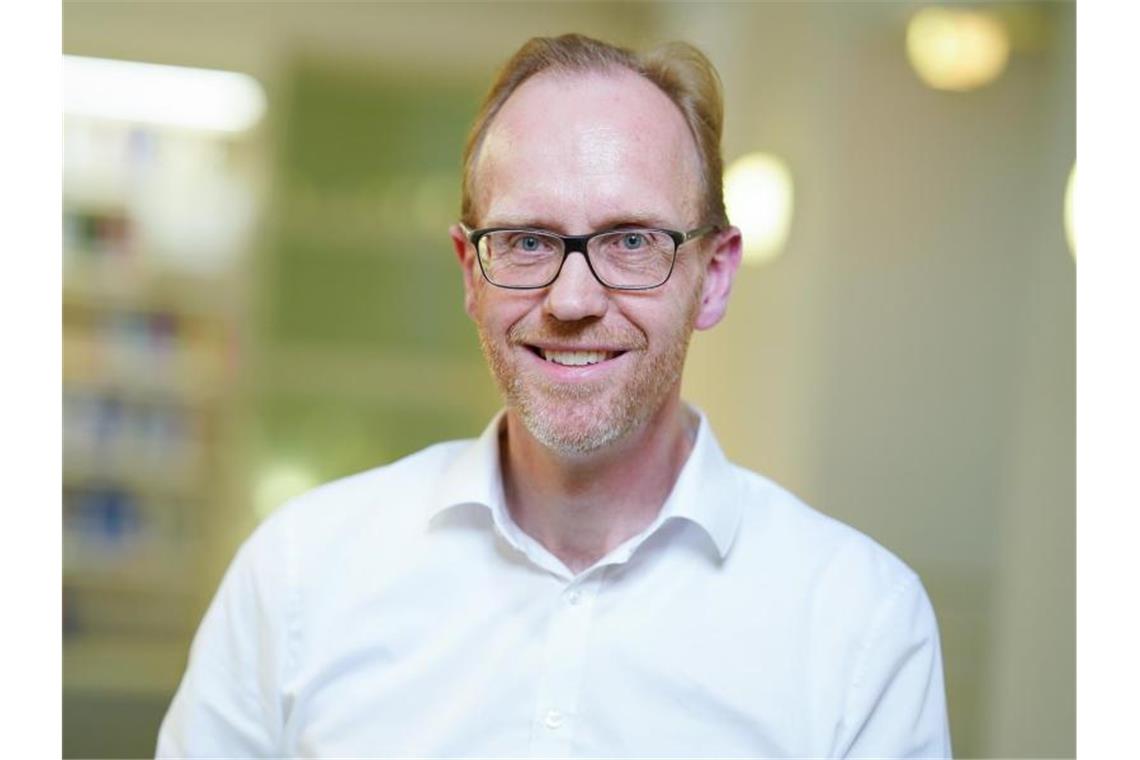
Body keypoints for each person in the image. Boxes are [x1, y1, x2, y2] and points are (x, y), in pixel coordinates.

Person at [157, 33, 952, 758]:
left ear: (713, 279)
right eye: (529, 241)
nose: (572, 300)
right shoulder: (299, 577)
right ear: (471, 272)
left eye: (631, 240)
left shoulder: (860, 625)